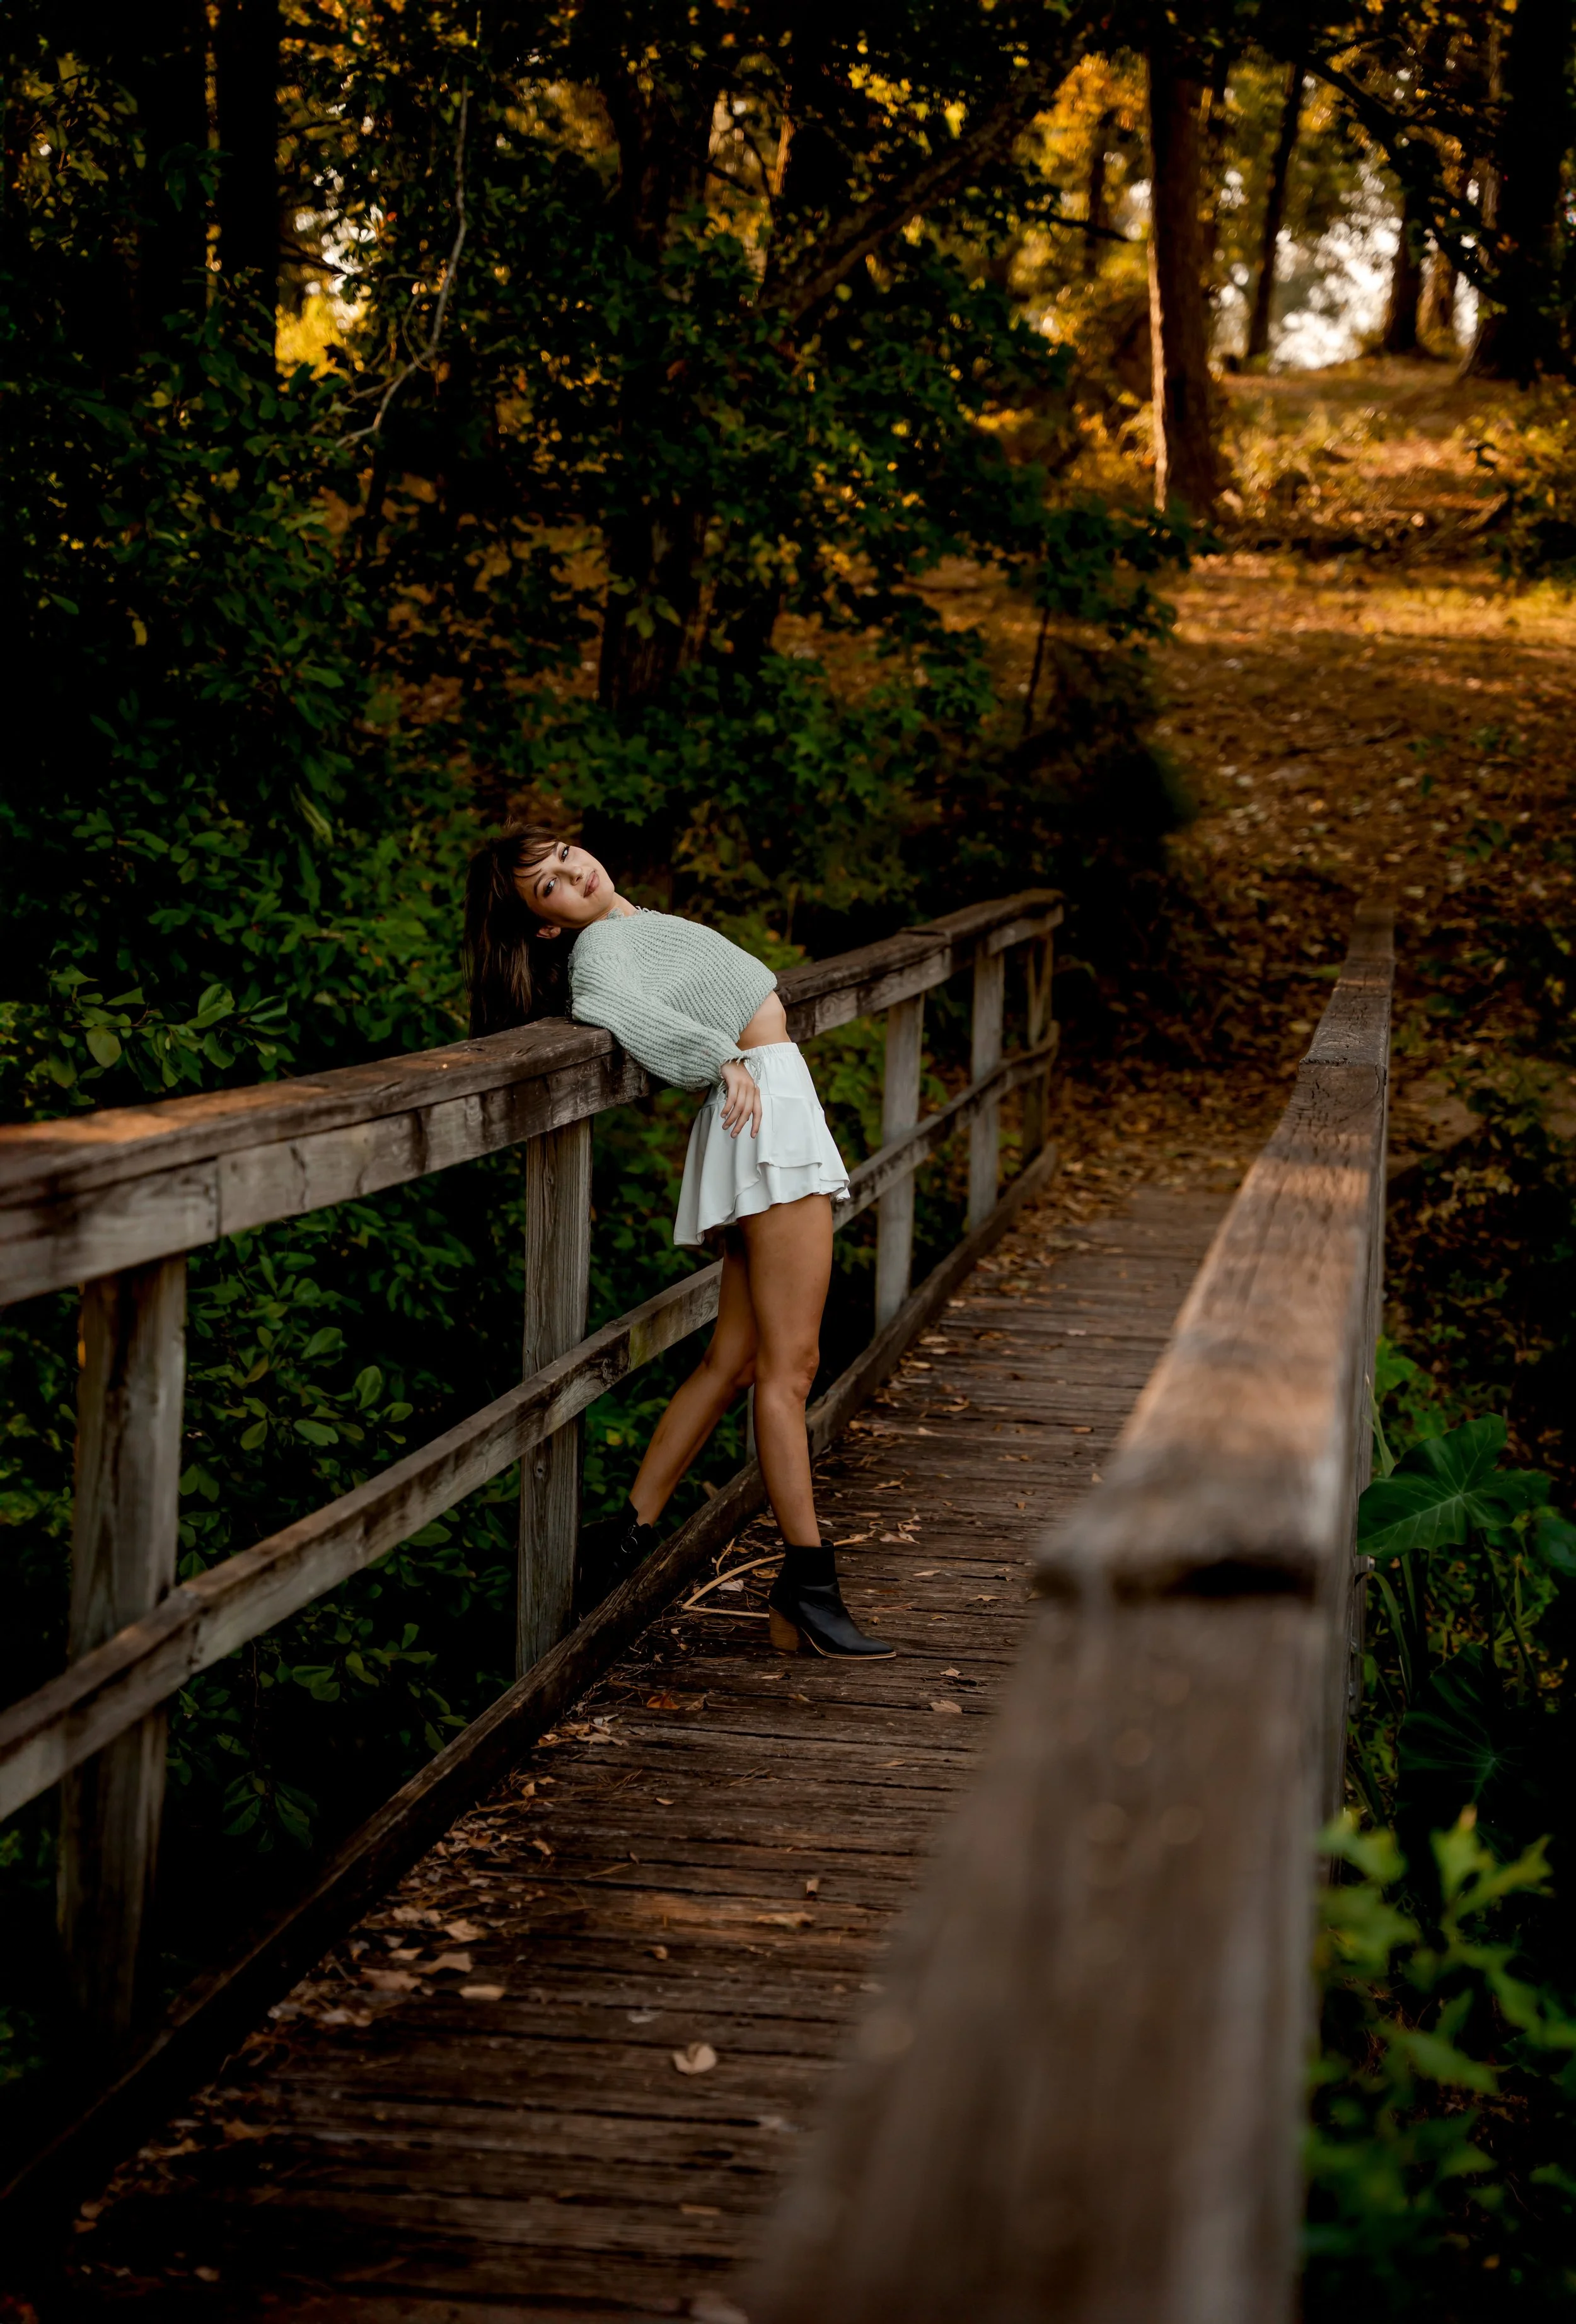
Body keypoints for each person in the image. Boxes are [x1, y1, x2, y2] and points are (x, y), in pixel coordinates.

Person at [463, 823, 894, 1660]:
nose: (569, 870)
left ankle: (624, 1541)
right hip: (764, 1110)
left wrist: (722, 1061)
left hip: (765, 1109)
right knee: (789, 1370)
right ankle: (809, 1581)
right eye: (546, 884)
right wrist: (715, 1059)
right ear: (546, 926)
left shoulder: (630, 925)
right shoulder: (599, 954)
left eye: (561, 853)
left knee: (735, 1360)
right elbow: (609, 1008)